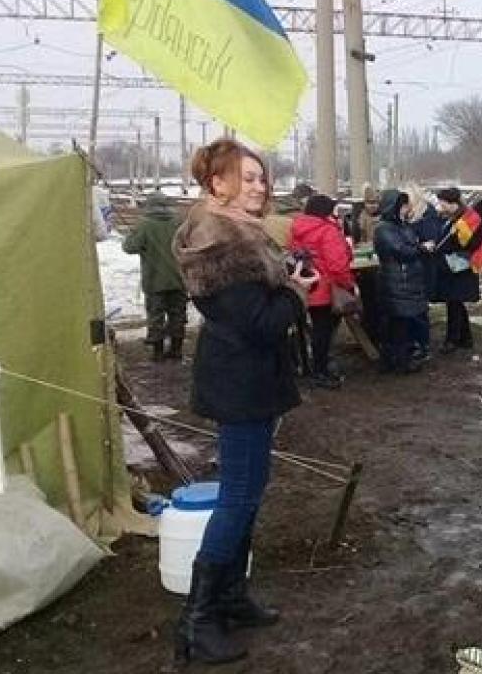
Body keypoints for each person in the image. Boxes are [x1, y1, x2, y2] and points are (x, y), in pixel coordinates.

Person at [171, 139, 318, 665]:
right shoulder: (221, 244)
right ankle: (197, 618)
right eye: (246, 177)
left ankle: (230, 596)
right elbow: (259, 323)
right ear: (218, 184)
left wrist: (286, 283)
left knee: (250, 490)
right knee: (237, 496)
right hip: (241, 383)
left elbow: (256, 310)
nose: (258, 185)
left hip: (248, 379)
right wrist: (297, 291)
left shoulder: (237, 233)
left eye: (261, 177)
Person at [289, 194, 356, 389]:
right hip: (327, 289)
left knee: (314, 330)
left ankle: (310, 366)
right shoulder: (328, 231)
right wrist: (348, 285)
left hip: (308, 286)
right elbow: (338, 265)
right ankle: (321, 370)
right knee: (324, 332)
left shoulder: (297, 228)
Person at [122, 191, 187, 362]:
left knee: (155, 316)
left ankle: (158, 354)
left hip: (154, 281)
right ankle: (176, 351)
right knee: (178, 315)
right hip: (179, 279)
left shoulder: (144, 225)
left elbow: (129, 247)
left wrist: (132, 235)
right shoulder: (179, 222)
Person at [373, 189, 430, 373]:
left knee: (404, 325)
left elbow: (410, 243)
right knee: (396, 325)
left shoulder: (403, 226)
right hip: (396, 282)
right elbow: (402, 251)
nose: (407, 208)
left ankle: (403, 358)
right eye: (403, 205)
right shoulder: (383, 228)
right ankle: (396, 361)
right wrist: (421, 248)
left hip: (407, 282)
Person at [430, 187, 482, 352]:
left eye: (442, 203)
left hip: (458, 266)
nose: (439, 206)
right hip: (452, 267)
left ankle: (453, 339)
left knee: (454, 303)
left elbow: (470, 243)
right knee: (455, 303)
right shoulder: (452, 218)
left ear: (450, 203)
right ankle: (465, 338)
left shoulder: (466, 220)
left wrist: (457, 235)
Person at [403, 183, 442, 362]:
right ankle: (414, 342)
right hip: (413, 267)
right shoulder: (410, 217)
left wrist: (417, 245)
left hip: (424, 267)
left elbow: (431, 243)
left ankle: (423, 345)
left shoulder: (428, 217)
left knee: (420, 307)